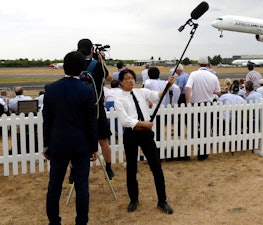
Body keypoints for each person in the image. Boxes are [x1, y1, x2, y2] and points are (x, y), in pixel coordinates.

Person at [43, 51, 98, 225]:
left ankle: (54, 221)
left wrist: (46, 144)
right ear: (83, 68)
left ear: (64, 67)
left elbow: (47, 120)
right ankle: (81, 221)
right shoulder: (87, 90)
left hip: (57, 144)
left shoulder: (51, 89)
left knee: (54, 186)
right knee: (82, 186)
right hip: (81, 145)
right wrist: (94, 146)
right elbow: (91, 122)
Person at [114, 69, 174, 214]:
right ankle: (133, 199)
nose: (130, 80)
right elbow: (125, 120)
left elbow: (157, 96)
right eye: (127, 78)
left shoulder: (142, 92)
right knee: (132, 168)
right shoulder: (119, 99)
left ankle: (162, 201)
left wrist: (168, 85)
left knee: (156, 167)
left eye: (132, 78)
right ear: (121, 82)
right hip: (131, 134)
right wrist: (142, 123)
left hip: (146, 135)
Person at [77, 38, 114, 180]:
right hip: (96, 106)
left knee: (77, 139)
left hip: (78, 108)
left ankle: (74, 173)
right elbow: (109, 78)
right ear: (92, 49)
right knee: (103, 139)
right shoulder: (97, 65)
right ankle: (109, 168)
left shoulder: (75, 63)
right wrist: (101, 61)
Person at [185, 57, 221, 160]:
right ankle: (204, 150)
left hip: (195, 105)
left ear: (198, 64)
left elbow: (188, 88)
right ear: (208, 64)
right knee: (206, 128)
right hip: (208, 106)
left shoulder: (193, 74)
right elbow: (218, 92)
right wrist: (209, 92)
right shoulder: (213, 76)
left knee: (192, 127)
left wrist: (188, 102)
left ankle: (200, 146)